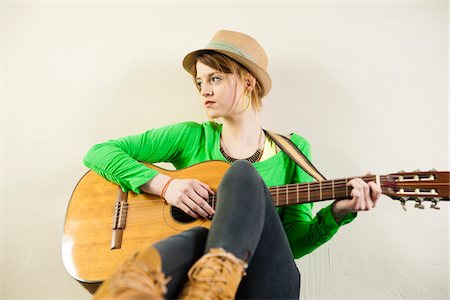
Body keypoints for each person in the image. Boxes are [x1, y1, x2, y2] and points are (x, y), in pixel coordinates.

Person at [85, 30, 381, 300]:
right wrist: (166, 186)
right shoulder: (191, 136)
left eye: (215, 78)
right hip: (194, 277)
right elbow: (99, 152)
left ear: (248, 82)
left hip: (265, 282)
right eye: (200, 81)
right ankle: (131, 287)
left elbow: (289, 243)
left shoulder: (294, 150)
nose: (204, 90)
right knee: (199, 234)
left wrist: (338, 213)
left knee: (241, 173)